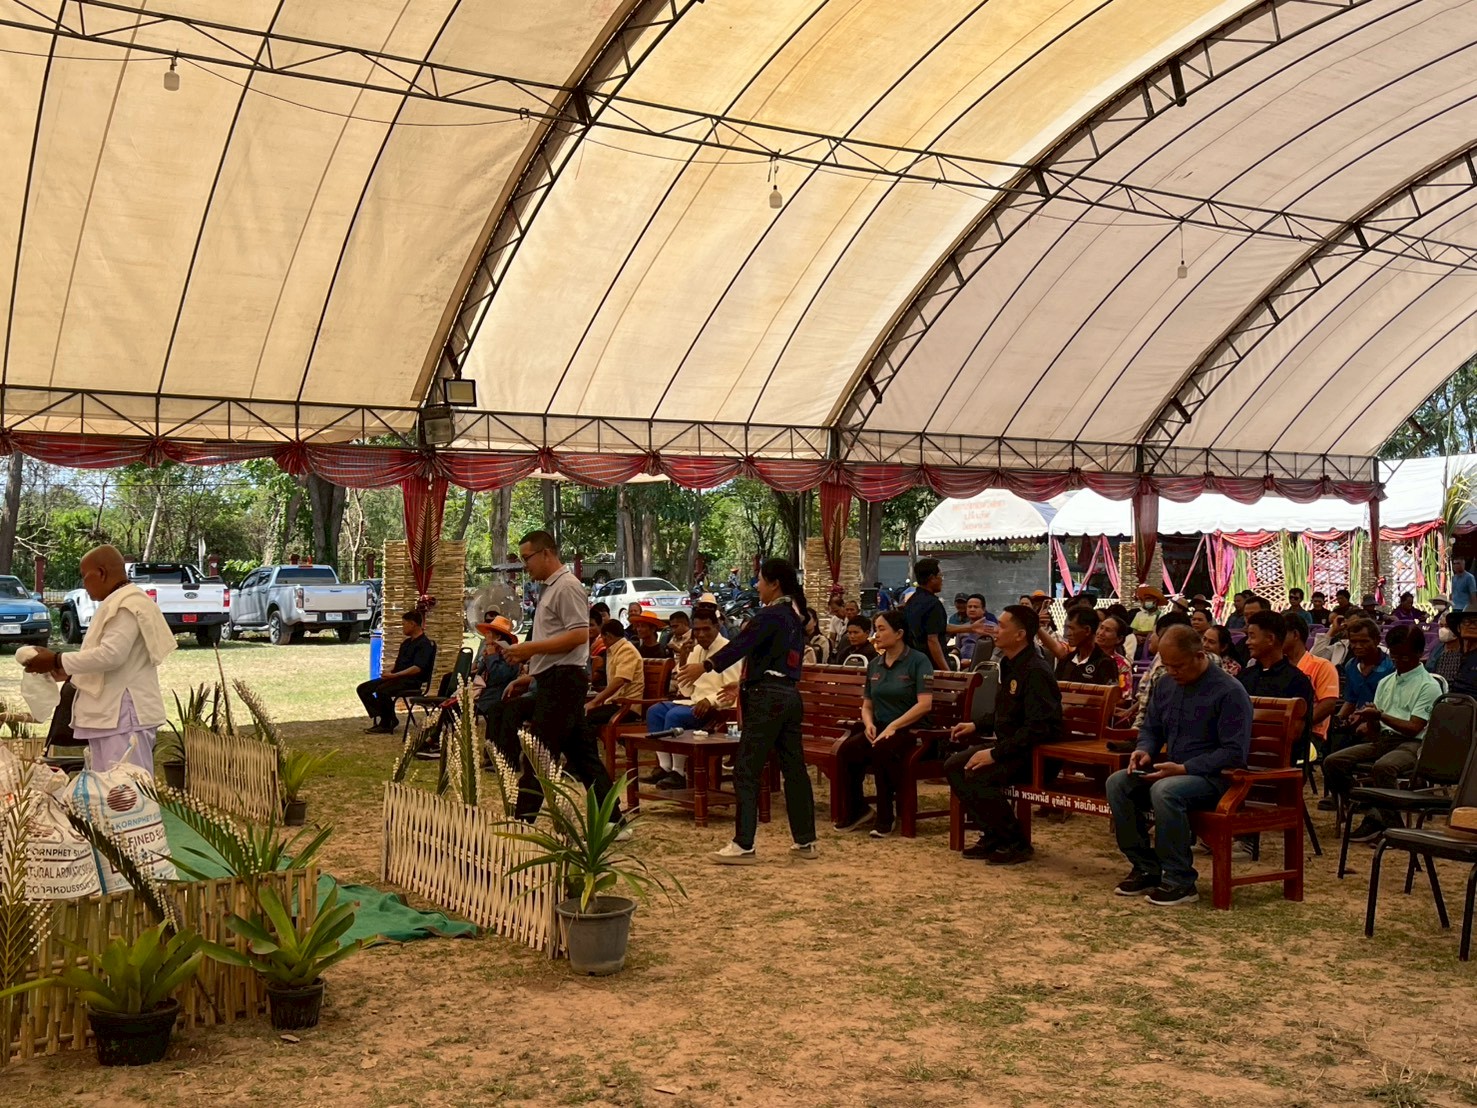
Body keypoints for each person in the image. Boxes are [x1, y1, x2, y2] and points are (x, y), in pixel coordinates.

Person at [678, 557, 818, 864]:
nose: (757, 585)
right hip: (789, 695)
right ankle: (805, 840)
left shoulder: (771, 615)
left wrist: (706, 665)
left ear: (774, 584)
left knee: (746, 769)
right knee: (794, 769)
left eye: (760, 580)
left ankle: (743, 844)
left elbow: (740, 645)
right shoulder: (795, 616)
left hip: (766, 698)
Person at [1105, 625, 1252, 906]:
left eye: (1178, 666)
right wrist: (1144, 750)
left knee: (1165, 791)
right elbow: (1151, 728)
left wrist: (1185, 769)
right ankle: (1145, 867)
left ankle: (1179, 880)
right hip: (1173, 771)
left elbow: (1233, 753)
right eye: (1167, 665)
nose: (1172, 672)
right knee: (1119, 783)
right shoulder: (1166, 684)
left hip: (1216, 778)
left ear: (1200, 656)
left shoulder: (1229, 691)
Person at [501, 531, 621, 825]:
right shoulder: (550, 588)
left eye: (527, 558)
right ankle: (614, 820)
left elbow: (579, 635)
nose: (525, 565)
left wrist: (531, 648)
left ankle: (523, 822)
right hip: (553, 679)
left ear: (546, 553)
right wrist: (528, 655)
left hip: (563, 680)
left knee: (538, 754)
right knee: (583, 756)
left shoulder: (567, 586)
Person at [22, 544, 176, 772]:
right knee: (105, 787)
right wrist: (68, 671)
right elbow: (108, 658)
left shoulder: (127, 604)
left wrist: (57, 660)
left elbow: (111, 655)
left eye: (85, 576)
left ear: (101, 573)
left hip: (123, 715)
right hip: (111, 715)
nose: (83, 584)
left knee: (126, 788)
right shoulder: (119, 600)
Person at [943, 605, 1062, 865]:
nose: (996, 630)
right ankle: (993, 834)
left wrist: (995, 754)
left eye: (1003, 626)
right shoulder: (1009, 664)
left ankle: (1015, 842)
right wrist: (976, 725)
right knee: (954, 765)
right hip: (1013, 747)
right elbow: (1006, 713)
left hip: (1036, 755)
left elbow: (1038, 728)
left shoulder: (1036, 671)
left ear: (1020, 635)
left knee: (977, 773)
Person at [1324, 624, 1442, 841]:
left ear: (1419, 654)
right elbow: (1374, 733)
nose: (1398, 662)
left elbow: (1414, 728)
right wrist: (1368, 720)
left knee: (1384, 767)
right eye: (1394, 657)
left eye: (1404, 657)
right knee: (1333, 762)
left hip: (1414, 744)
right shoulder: (1386, 682)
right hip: (1384, 740)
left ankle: (1393, 828)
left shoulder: (1429, 685)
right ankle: (1370, 809)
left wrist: (1380, 716)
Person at [837, 610, 935, 837]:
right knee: (847, 750)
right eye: (876, 629)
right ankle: (858, 809)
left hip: (911, 731)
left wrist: (893, 727)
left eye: (881, 629)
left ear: (899, 633)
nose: (876, 635)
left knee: (882, 750)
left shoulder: (918, 661)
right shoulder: (875, 664)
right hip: (881, 726)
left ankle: (885, 816)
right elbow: (867, 705)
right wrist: (868, 724)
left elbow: (924, 705)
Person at [645, 607, 739, 789]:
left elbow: (731, 691)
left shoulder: (728, 650)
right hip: (694, 702)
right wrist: (683, 660)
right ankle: (664, 767)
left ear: (717, 627)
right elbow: (686, 690)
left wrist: (710, 700)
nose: (701, 634)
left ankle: (678, 772)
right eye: (697, 630)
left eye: (706, 629)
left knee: (674, 716)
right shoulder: (696, 650)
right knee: (655, 711)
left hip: (717, 709)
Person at [1235, 610, 1315, 763]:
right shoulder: (1244, 677)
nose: (1247, 642)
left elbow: (1295, 732)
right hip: (1241, 754)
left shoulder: (1297, 681)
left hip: (1278, 760)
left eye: (1252, 636)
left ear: (1271, 639)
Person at [357, 609, 437, 734]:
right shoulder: (406, 643)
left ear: (413, 624)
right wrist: (389, 671)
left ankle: (386, 723)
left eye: (404, 624)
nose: (402, 627)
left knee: (382, 690)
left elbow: (417, 668)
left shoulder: (424, 644)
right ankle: (388, 717)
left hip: (412, 681)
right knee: (363, 689)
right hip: (397, 677)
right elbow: (398, 664)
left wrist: (394, 675)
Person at [1284, 613, 1341, 763]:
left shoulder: (1322, 666)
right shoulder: (1277, 667)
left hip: (1310, 734)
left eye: (1280, 633)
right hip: (1278, 730)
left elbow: (1328, 705)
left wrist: (1299, 726)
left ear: (1295, 634)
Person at [1040, 606, 1117, 686]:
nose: (1068, 634)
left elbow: (1110, 693)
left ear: (1087, 630)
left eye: (1072, 629)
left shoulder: (1105, 663)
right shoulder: (1066, 661)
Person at [1428, 608, 1477, 695]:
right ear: (1458, 627)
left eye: (1476, 622)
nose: (1472, 626)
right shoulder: (1446, 657)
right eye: (1467, 621)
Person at [1096, 614, 1133, 697]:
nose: (1101, 633)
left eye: (1108, 630)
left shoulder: (1123, 664)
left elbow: (1124, 697)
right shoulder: (1083, 656)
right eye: (1101, 628)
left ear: (1119, 639)